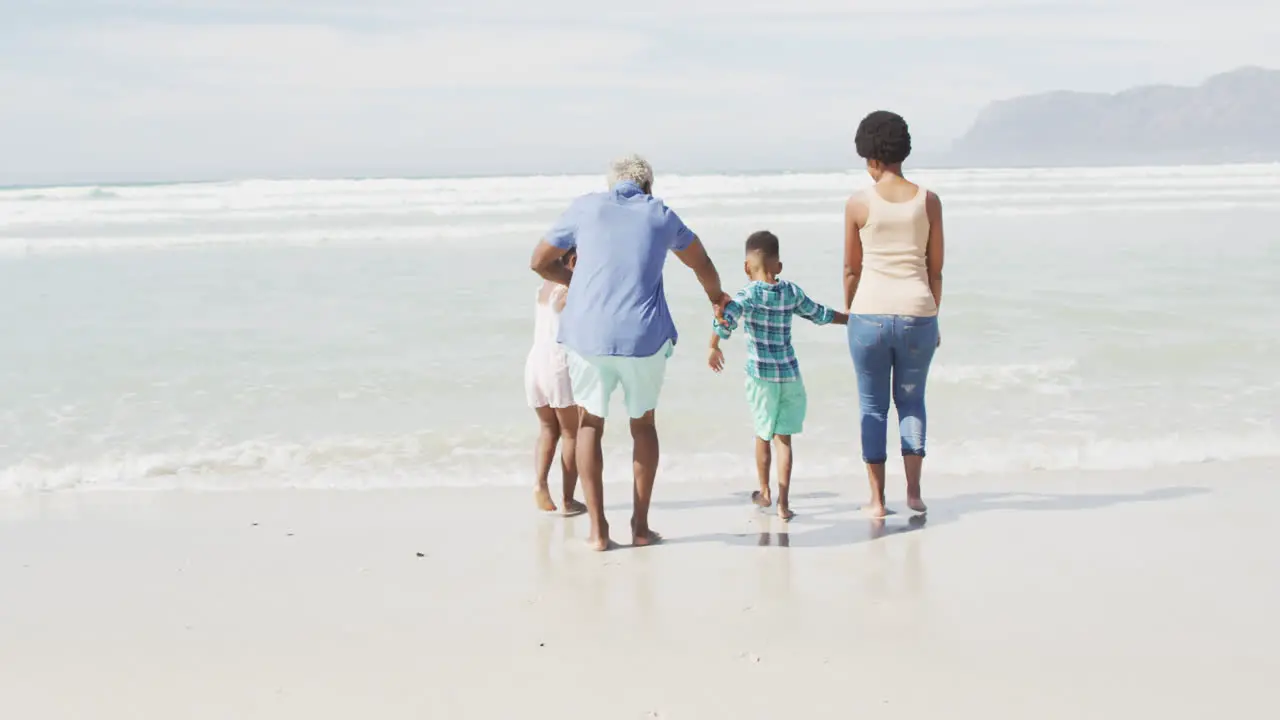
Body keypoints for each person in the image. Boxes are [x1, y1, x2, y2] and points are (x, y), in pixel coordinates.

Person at [529, 154, 730, 551]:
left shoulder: (585, 207)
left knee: (589, 424)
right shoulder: (660, 214)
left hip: (588, 337)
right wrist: (715, 298)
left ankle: (598, 531)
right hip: (643, 338)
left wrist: (575, 281)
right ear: (648, 187)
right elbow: (700, 261)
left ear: (611, 185)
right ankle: (639, 526)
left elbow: (539, 261)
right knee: (643, 425)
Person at [843, 110, 945, 518]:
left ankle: (878, 500)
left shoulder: (858, 204)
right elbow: (934, 268)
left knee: (872, 407)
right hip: (918, 311)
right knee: (912, 402)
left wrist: (851, 312)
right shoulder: (929, 201)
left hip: (869, 314)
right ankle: (915, 494)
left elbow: (851, 269)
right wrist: (933, 314)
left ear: (870, 157)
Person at [708, 230, 847, 521]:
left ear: (747, 267)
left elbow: (726, 323)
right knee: (784, 440)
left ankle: (765, 491)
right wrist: (849, 319)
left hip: (761, 377)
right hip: (790, 375)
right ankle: (784, 504)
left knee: (762, 433)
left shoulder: (747, 295)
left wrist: (714, 344)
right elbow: (819, 314)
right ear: (779, 266)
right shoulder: (790, 291)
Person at [523, 248, 588, 517]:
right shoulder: (570, 288)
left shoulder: (543, 287)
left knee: (548, 428)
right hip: (559, 365)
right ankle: (568, 500)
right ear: (572, 260)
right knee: (572, 432)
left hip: (535, 362)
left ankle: (539, 484)